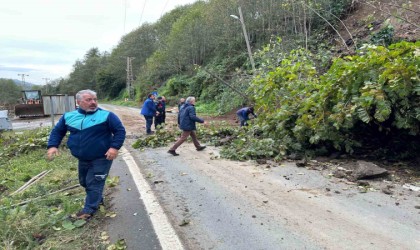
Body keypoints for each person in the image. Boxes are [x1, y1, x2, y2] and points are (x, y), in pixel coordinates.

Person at [47, 89, 126, 220]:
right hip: (82, 158)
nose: (93, 102)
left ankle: (88, 210)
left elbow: (120, 131)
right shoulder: (68, 116)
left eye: (95, 99)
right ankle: (97, 199)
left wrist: (114, 147)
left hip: (102, 157)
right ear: (78, 102)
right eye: (89, 100)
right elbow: (57, 131)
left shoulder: (107, 116)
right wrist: (53, 146)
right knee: (84, 182)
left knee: (94, 182)